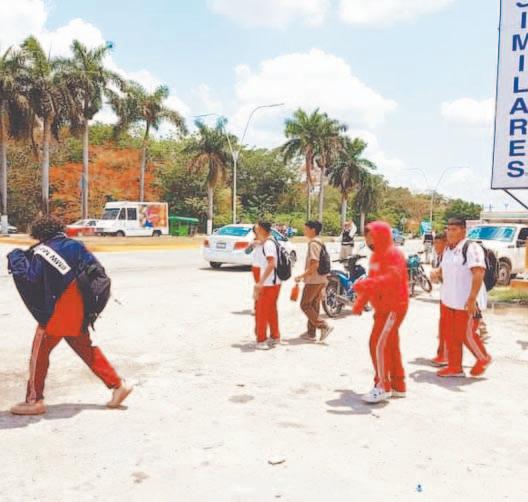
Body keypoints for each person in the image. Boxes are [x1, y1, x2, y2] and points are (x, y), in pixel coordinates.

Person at [7, 217, 132, 416]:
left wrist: (16, 257)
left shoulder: (42, 252)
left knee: (39, 353)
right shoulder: (76, 245)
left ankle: (34, 400)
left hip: (56, 314)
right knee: (86, 350)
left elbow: (30, 278)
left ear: (39, 234)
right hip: (81, 311)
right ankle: (118, 385)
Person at [352, 221, 409, 404]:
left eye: (371, 235)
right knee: (390, 344)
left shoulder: (394, 254)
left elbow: (393, 277)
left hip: (394, 306)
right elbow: (373, 281)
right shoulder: (376, 257)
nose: (368, 239)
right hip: (382, 308)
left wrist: (367, 284)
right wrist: (360, 302)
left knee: (377, 344)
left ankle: (383, 385)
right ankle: (398, 385)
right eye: (366, 236)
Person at [431, 217, 492, 378]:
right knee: (451, 335)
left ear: (463, 231)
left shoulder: (471, 248)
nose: (450, 233)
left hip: (467, 301)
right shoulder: (448, 250)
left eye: (454, 229)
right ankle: (455, 367)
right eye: (448, 229)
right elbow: (445, 269)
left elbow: (478, 272)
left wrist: (472, 299)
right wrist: (437, 273)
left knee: (465, 334)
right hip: (450, 300)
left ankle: (483, 358)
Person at [295, 220, 333, 343]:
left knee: (305, 305)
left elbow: (314, 264)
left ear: (312, 230)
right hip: (321, 278)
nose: (304, 231)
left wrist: (301, 276)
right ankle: (311, 333)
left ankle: (323, 325)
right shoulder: (320, 241)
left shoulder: (313, 244)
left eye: (306, 229)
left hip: (314, 280)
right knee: (313, 306)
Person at [253, 221, 282, 350]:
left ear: (262, 229)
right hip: (274, 282)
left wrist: (261, 282)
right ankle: (275, 336)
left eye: (257, 228)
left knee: (262, 312)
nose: (255, 230)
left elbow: (271, 263)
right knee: (271, 310)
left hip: (268, 283)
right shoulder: (271, 241)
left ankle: (261, 340)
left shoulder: (268, 244)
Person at [430, 232, 448, 367]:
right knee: (444, 326)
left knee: (447, 327)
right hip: (447, 296)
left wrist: (437, 274)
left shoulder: (448, 255)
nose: (435, 246)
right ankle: (443, 354)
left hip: (454, 298)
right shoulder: (441, 256)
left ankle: (445, 356)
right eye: (434, 243)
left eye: (438, 243)